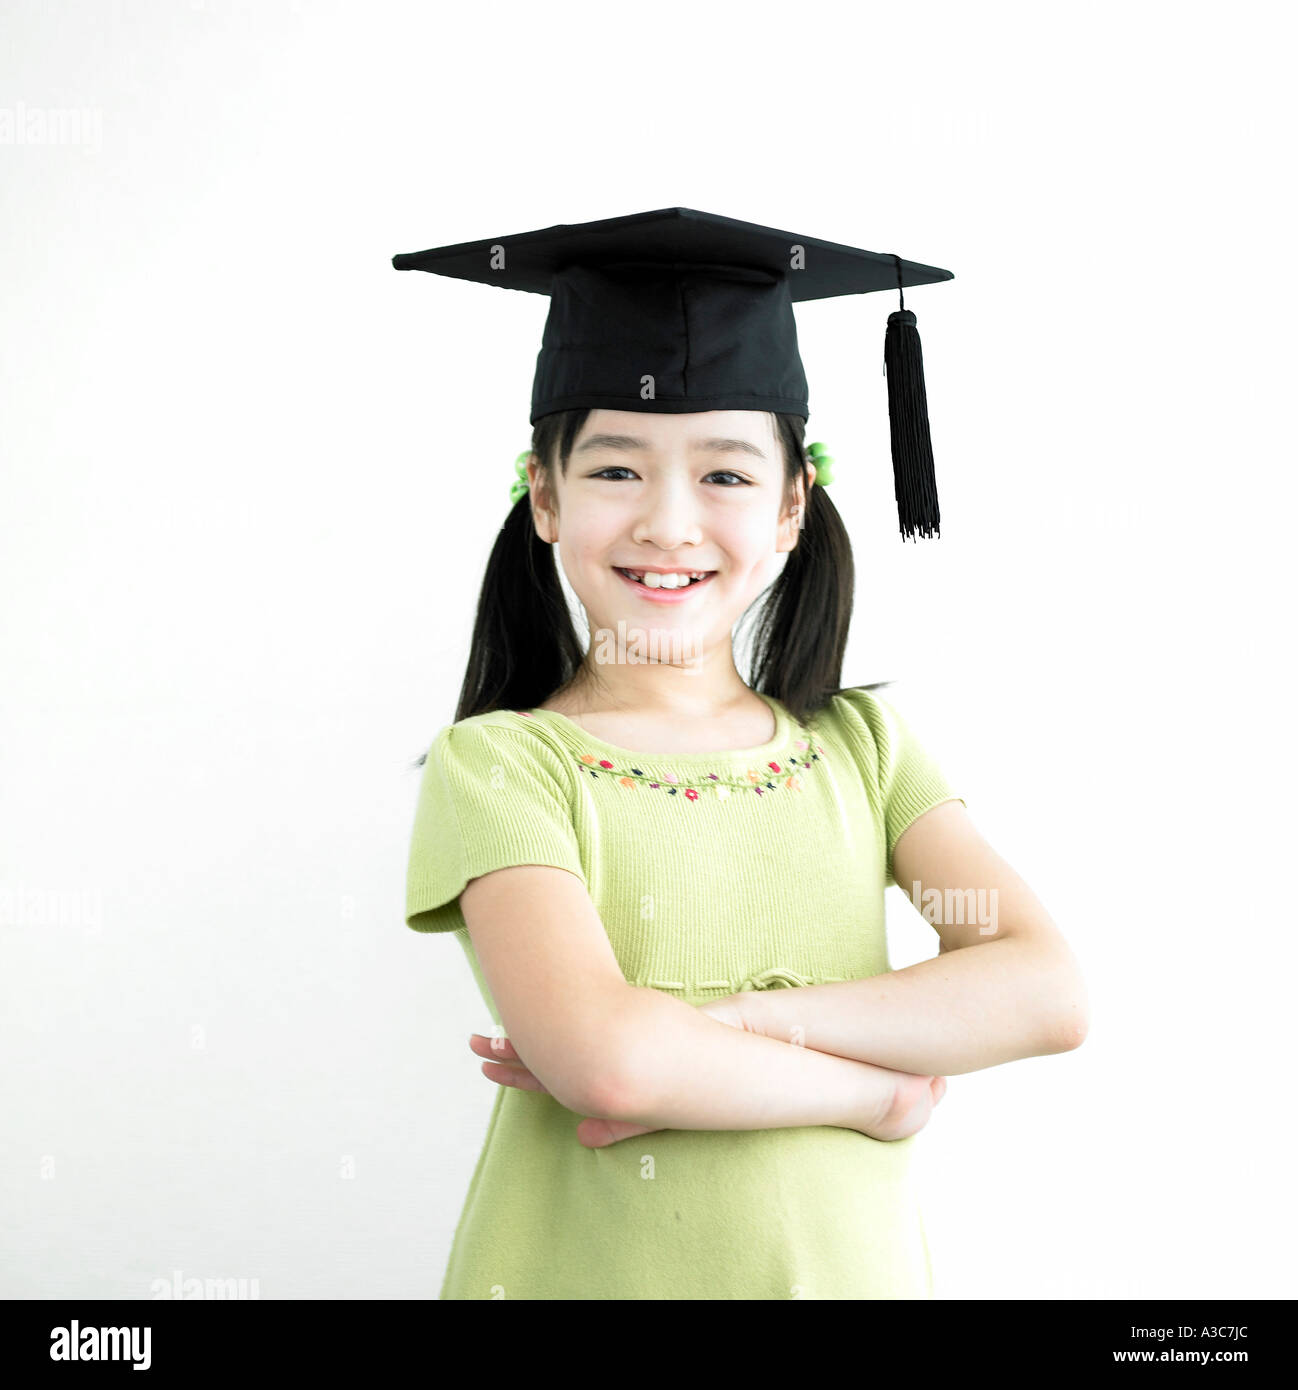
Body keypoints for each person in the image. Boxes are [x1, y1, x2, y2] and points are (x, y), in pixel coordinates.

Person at [396, 210, 1089, 1299]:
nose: (669, 524)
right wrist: (876, 1090)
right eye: (616, 470)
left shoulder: (862, 751)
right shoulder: (501, 766)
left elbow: (1040, 989)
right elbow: (611, 1062)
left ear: (789, 507)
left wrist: (735, 1026)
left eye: (723, 475)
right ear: (543, 493)